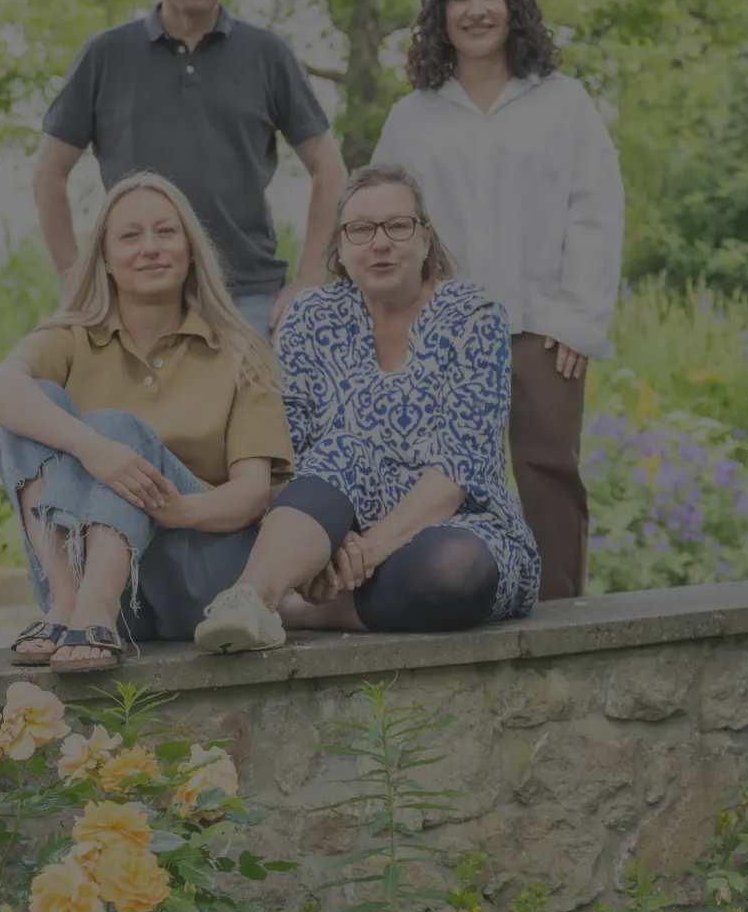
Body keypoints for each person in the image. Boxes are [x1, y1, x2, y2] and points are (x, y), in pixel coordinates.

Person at [193, 165, 541, 652]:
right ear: (339, 246)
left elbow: (457, 470)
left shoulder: (473, 317)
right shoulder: (309, 318)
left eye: (398, 226)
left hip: (456, 524)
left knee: (453, 569)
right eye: (361, 229)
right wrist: (334, 544)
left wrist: (367, 550)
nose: (381, 243)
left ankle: (303, 611)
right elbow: (288, 455)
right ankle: (249, 600)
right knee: (341, 451)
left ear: (426, 239)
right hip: (329, 527)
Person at [371, 0, 625, 600]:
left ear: (515, 7)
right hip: (440, 332)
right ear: (440, 15)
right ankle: (459, 608)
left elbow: (595, 213)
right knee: (437, 479)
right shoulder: (413, 116)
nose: (476, 9)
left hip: (541, 326)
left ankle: (561, 617)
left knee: (548, 473)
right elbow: (383, 220)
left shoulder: (563, 104)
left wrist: (579, 320)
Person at [0, 172, 293, 673]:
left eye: (166, 232)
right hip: (86, 590)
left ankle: (96, 609)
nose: (151, 248)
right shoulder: (71, 337)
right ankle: (66, 601)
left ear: (191, 249)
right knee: (30, 402)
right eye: (130, 235)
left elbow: (254, 494)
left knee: (116, 427)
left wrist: (173, 508)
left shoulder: (242, 351)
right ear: (103, 256)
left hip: (197, 578)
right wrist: (91, 447)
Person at [34, 0, 348, 340]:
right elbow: (48, 175)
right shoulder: (106, 56)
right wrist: (73, 285)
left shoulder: (268, 55)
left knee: (259, 414)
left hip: (249, 302)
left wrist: (307, 282)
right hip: (136, 300)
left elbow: (329, 169)